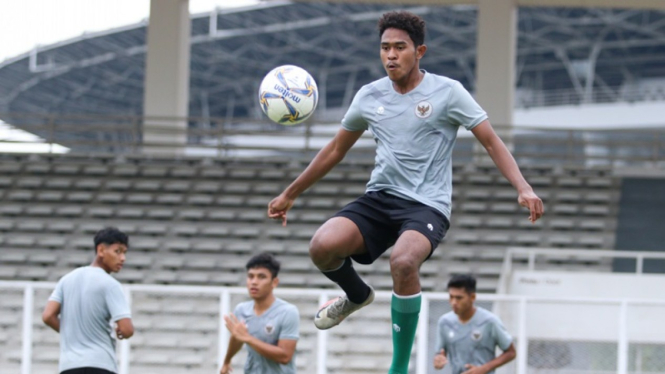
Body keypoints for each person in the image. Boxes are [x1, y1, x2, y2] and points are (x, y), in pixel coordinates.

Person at [267, 10, 543, 374]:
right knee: (321, 247)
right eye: (385, 48)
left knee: (403, 261)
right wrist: (291, 193)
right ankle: (357, 295)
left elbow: (490, 142)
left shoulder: (448, 92)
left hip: (427, 206)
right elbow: (336, 149)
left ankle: (398, 369)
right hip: (380, 198)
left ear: (420, 51)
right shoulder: (369, 96)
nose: (391, 55)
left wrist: (522, 187)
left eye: (400, 47)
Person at [42, 227, 133, 374]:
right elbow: (127, 329)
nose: (123, 258)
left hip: (69, 366)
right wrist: (123, 331)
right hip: (100, 364)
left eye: (124, 253)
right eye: (118, 251)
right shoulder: (110, 284)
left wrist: (71, 333)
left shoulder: (66, 280)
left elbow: (47, 316)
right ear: (101, 250)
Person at [220, 253, 300, 374]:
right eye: (250, 276)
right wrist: (226, 361)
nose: (254, 282)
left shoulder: (288, 312)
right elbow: (237, 338)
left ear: (274, 282)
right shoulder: (242, 310)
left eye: (261, 277)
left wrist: (248, 338)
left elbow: (285, 356)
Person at [434, 275, 516, 374]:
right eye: (451, 297)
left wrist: (484, 368)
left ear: (472, 297)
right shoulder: (445, 322)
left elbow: (511, 352)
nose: (454, 302)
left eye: (459, 298)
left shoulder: (490, 321)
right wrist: (438, 360)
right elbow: (440, 354)